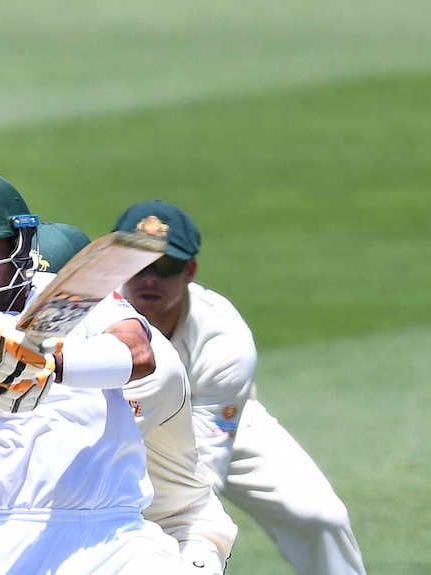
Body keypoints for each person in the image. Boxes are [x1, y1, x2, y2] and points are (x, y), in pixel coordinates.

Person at [0, 218, 238, 575]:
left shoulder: (155, 369)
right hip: (79, 515)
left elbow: (71, 444)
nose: (32, 322)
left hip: (177, 524)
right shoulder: (14, 332)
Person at [112, 200, 367, 575]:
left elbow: (204, 464)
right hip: (121, 424)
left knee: (321, 517)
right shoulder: (93, 307)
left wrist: (194, 533)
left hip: (214, 423)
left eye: (165, 266)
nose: (149, 278)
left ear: (190, 271)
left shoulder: (224, 338)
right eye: (138, 263)